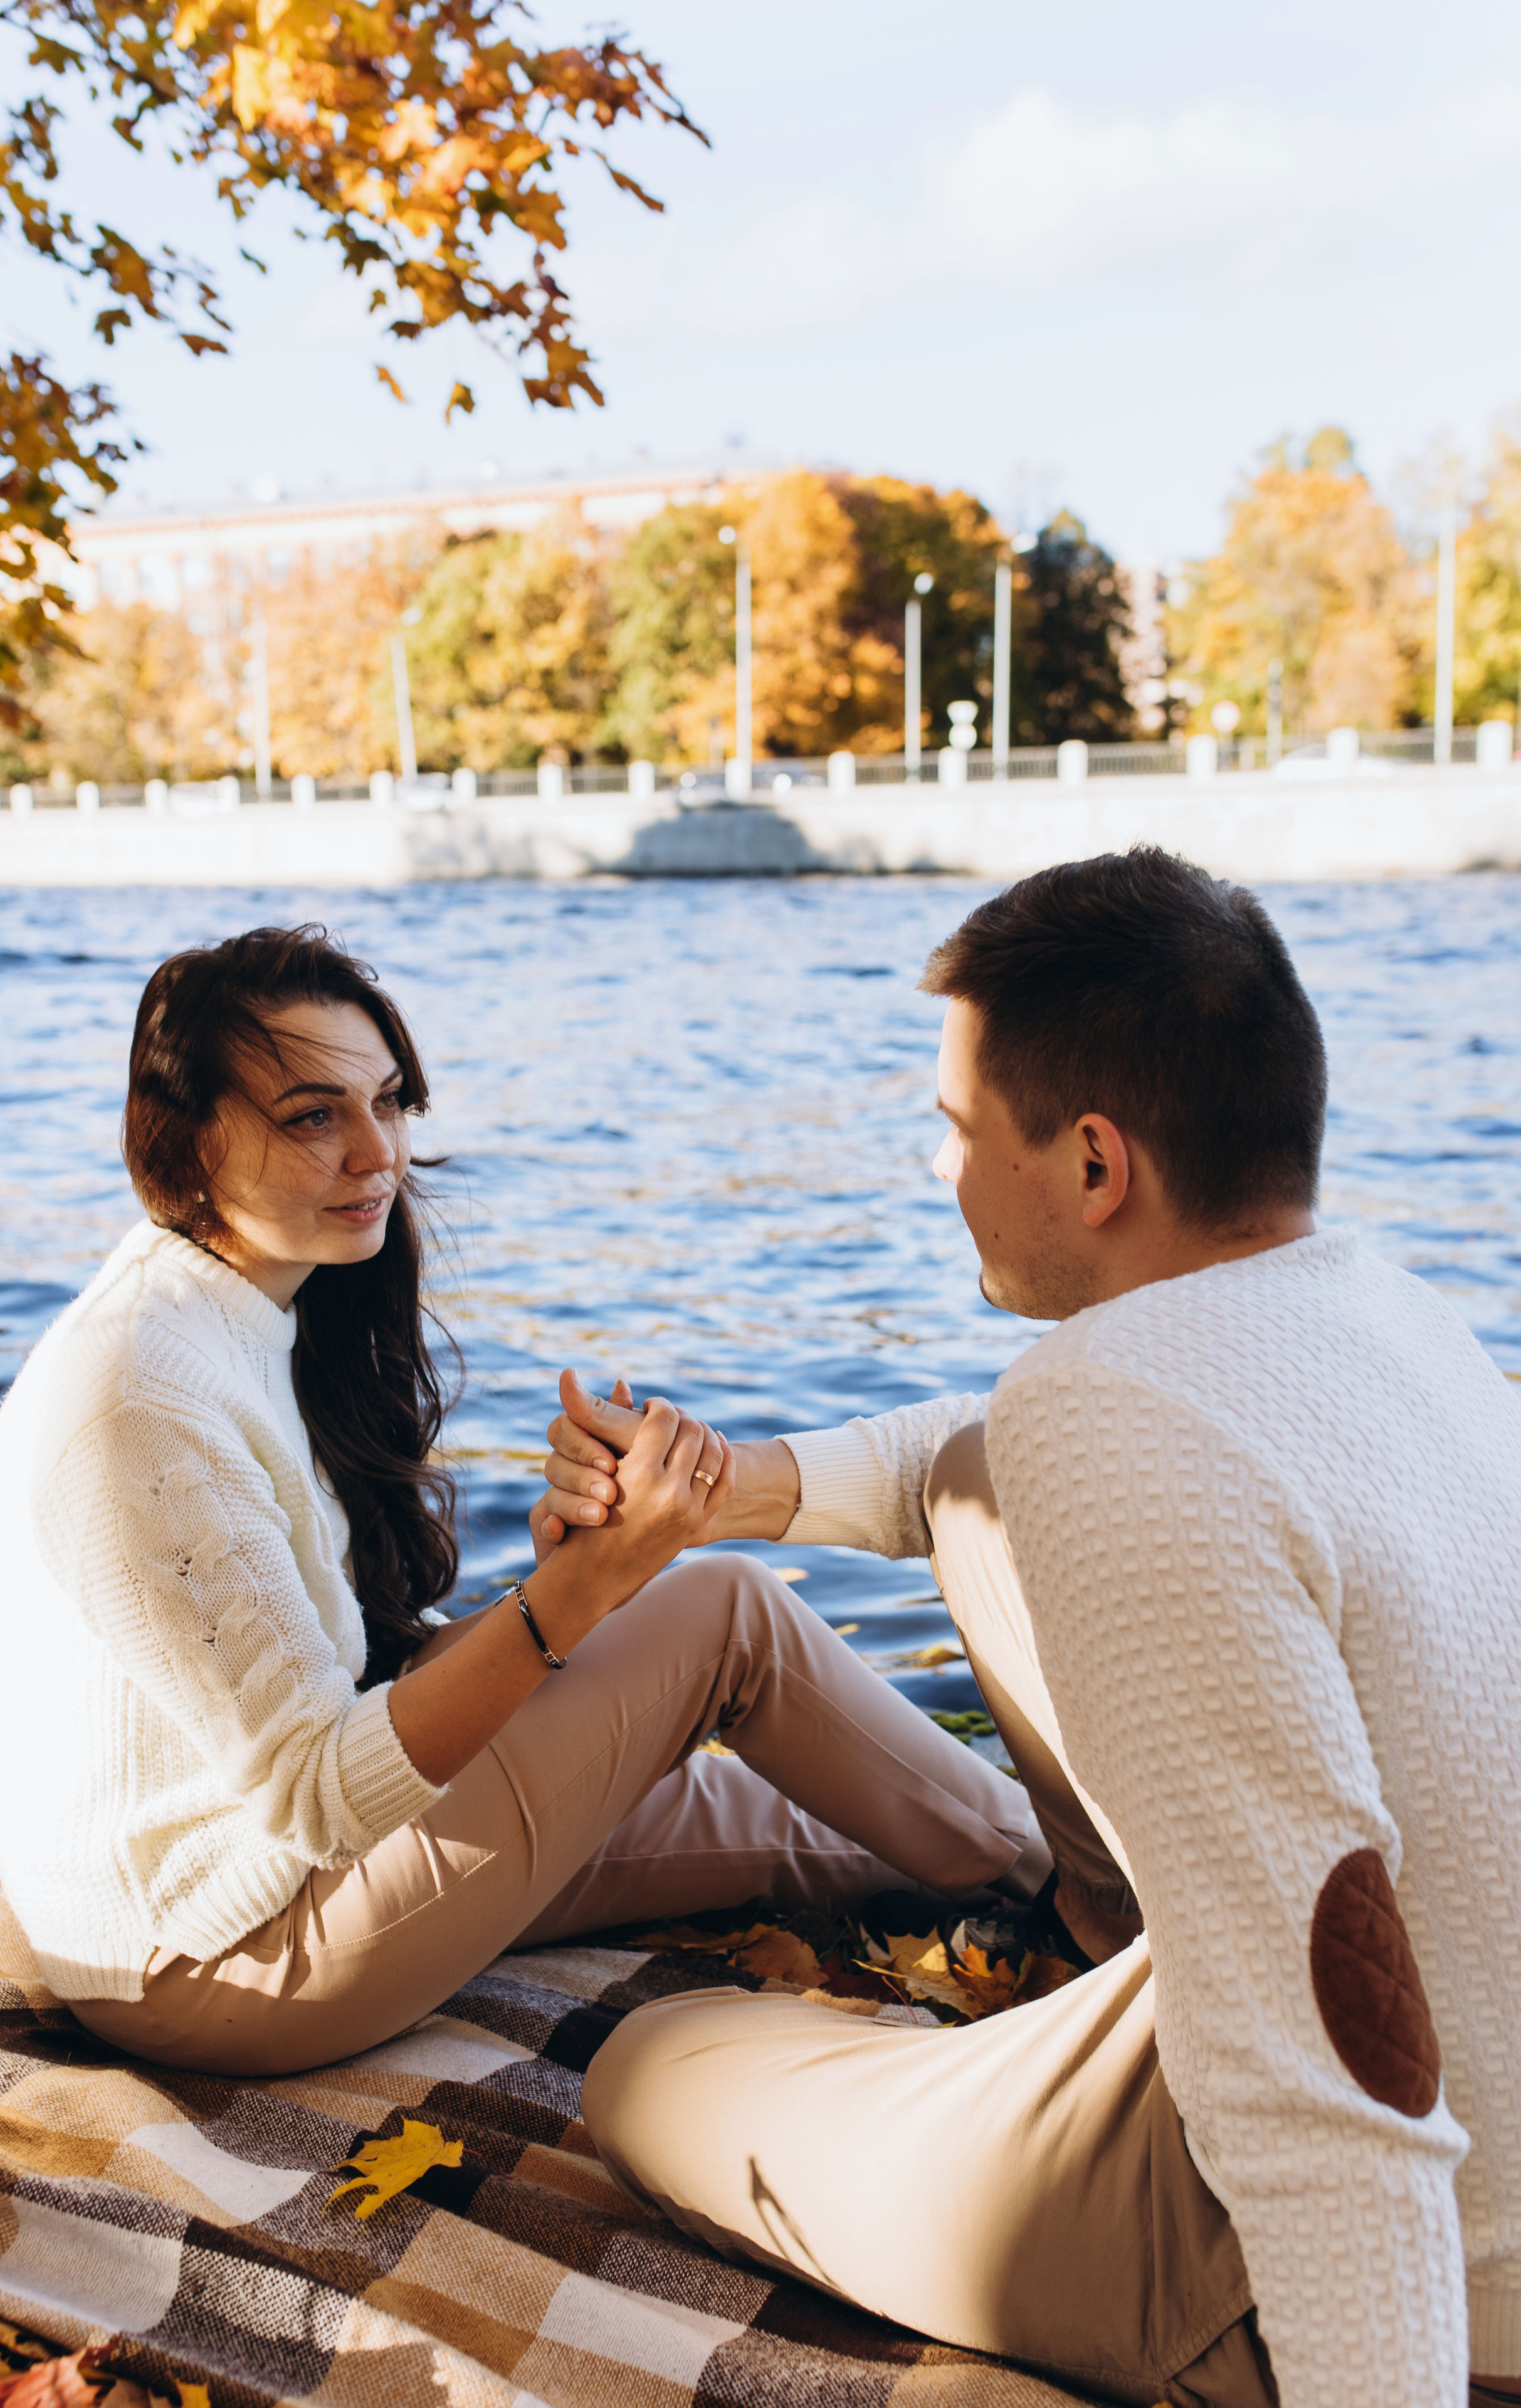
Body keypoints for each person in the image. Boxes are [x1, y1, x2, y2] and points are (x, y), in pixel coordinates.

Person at [538, 850, 1521, 2408]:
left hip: (1358, 2242)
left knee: (659, 2069)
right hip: (1457, 2058)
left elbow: (1343, 2076)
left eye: (953, 1130)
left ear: (1088, 1164)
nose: (938, 1171)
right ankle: (1107, 1965)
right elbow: (963, 1458)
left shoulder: (1108, 1408)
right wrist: (723, 1489)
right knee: (983, 1463)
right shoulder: (1397, 1322)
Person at [0, 924, 1048, 2079]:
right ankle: (1114, 1904)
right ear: (184, 1143)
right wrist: (580, 1593)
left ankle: (1042, 1870)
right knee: (726, 1614)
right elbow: (319, 1797)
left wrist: (568, 1592)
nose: (375, 1152)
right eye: (312, 1116)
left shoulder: (234, 1315)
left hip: (261, 1892)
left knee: (814, 1830)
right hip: (216, 1959)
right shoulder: (147, 1399)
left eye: (389, 1104)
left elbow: (346, 1684)